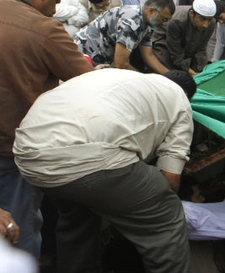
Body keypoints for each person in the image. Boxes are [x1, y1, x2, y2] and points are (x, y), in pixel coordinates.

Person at [14, 68, 196, 273]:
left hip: (28, 153)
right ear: (187, 96)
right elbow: (170, 179)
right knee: (166, 215)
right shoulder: (180, 101)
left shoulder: (121, 76)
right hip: (86, 155)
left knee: (77, 216)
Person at [0, 0, 94, 258]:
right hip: (14, 147)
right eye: (54, 1)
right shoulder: (43, 27)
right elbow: (85, 78)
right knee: (19, 228)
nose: (54, 11)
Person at [74, 0, 174, 73]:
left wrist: (169, 76)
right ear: (151, 11)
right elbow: (120, 64)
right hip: (84, 55)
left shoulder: (146, 22)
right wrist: (143, 80)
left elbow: (149, 56)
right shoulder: (132, 22)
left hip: (101, 57)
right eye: (164, 19)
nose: (165, 24)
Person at [160, 0, 219, 75]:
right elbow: (176, 55)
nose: (205, 25)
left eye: (209, 20)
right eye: (202, 19)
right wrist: (194, 74)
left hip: (187, 48)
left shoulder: (212, 23)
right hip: (165, 45)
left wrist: (203, 71)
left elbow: (201, 49)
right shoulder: (176, 21)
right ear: (192, 14)